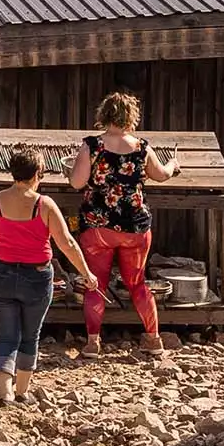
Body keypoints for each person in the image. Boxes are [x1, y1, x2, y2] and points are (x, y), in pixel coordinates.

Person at [0, 146, 100, 406]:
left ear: (12, 172)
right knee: (30, 336)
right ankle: (22, 393)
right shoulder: (44, 204)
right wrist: (87, 274)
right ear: (38, 174)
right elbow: (67, 244)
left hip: (2, 274)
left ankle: (4, 394)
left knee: (7, 337)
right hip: (36, 278)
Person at [69, 91, 181, 356]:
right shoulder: (143, 147)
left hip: (98, 227)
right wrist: (174, 163)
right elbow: (162, 175)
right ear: (131, 117)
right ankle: (154, 340)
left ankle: (93, 343)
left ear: (104, 115)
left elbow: (75, 182)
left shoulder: (92, 146)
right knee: (138, 284)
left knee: (95, 282)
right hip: (135, 228)